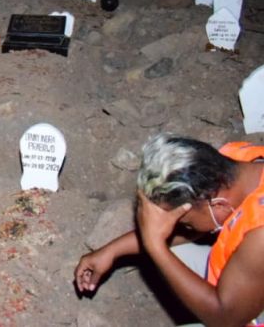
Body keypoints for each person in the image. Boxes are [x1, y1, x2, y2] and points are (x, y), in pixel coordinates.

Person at [74, 134, 264, 326]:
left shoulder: (260, 236)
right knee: (172, 251)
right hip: (246, 275)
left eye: (187, 223)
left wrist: (156, 246)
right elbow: (173, 231)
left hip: (231, 316)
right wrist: (112, 251)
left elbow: (225, 319)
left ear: (218, 205)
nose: (185, 228)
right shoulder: (235, 164)